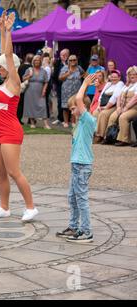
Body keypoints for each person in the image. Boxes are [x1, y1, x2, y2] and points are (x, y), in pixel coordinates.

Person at [0, 11, 38, 222]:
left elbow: (7, 55)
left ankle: (31, 207)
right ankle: (4, 207)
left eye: (0, 67)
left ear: (10, 67)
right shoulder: (3, 82)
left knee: (14, 172)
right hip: (0, 132)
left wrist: (9, 31)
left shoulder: (14, 82)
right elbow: (3, 54)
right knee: (0, 172)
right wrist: (1, 30)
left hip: (11, 132)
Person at [56, 74, 97, 243]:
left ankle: (86, 231)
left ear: (82, 108)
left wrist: (85, 83)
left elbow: (79, 98)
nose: (71, 112)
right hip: (76, 165)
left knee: (81, 199)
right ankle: (73, 226)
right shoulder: (79, 123)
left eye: (73, 109)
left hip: (82, 165)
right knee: (72, 197)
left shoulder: (88, 120)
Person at [105, 66, 137, 147]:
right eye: (130, 74)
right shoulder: (127, 85)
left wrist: (125, 108)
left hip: (133, 108)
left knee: (123, 117)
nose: (131, 76)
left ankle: (124, 140)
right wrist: (119, 107)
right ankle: (110, 137)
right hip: (123, 108)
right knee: (112, 116)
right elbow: (119, 96)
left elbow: (135, 99)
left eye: (134, 74)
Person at [93, 69, 125, 144]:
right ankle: (94, 134)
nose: (113, 78)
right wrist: (98, 106)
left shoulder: (120, 84)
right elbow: (101, 96)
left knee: (103, 114)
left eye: (115, 77)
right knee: (95, 113)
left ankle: (101, 135)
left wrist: (105, 107)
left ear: (119, 77)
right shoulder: (108, 84)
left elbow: (114, 97)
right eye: (112, 76)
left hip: (113, 106)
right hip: (103, 105)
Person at [23, 55, 50, 129]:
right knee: (31, 106)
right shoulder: (29, 69)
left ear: (40, 62)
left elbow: (46, 82)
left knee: (43, 106)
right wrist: (29, 76)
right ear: (33, 62)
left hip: (40, 91)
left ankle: (46, 124)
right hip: (30, 91)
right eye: (35, 60)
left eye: (38, 60)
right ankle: (32, 123)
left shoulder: (43, 71)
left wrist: (44, 89)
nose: (37, 62)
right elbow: (23, 78)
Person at [59, 54, 86, 128]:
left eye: (74, 60)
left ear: (77, 61)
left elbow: (84, 73)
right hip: (66, 90)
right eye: (71, 60)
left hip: (76, 90)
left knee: (74, 105)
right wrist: (68, 73)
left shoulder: (79, 68)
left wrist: (81, 77)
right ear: (68, 61)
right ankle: (66, 122)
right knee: (65, 106)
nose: (72, 61)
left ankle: (73, 121)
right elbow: (60, 78)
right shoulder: (65, 68)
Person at [52, 49, 70, 125]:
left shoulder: (71, 62)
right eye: (61, 55)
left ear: (67, 55)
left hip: (70, 86)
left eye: (63, 55)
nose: (62, 57)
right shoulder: (57, 63)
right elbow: (54, 75)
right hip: (60, 86)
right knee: (60, 102)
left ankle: (69, 119)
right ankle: (60, 118)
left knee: (69, 102)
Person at [17, 53, 34, 124]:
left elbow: (18, 77)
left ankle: (19, 119)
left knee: (20, 104)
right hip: (30, 87)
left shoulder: (20, 67)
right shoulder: (32, 67)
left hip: (21, 87)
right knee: (30, 104)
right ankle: (30, 120)